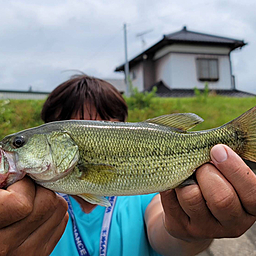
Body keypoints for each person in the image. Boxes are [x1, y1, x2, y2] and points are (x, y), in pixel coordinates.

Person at [1, 74, 256, 256]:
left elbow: (166, 234)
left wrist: (191, 233)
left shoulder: (145, 199)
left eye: (19, 143)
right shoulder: (31, 202)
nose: (97, 130)